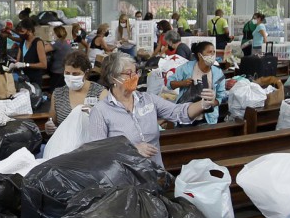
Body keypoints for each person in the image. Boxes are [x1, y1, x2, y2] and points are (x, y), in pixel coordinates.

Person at [87, 51, 216, 166]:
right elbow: (99, 150)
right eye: (128, 73)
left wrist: (203, 104)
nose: (135, 77)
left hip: (154, 174)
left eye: (136, 72)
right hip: (123, 181)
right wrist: (132, 149)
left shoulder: (148, 100)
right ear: (113, 78)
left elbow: (178, 112)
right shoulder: (101, 111)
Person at [45, 50, 105, 133]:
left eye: (75, 74)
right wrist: (49, 127)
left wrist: (94, 115)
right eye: (67, 73)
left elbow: (108, 122)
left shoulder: (100, 92)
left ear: (86, 73)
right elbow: (52, 121)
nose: (71, 77)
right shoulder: (58, 94)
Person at [167, 42, 226, 125]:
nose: (212, 55)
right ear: (199, 55)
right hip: (186, 115)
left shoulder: (218, 73)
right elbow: (170, 84)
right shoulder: (186, 68)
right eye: (209, 52)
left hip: (208, 118)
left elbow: (220, 97)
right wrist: (182, 83)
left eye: (214, 52)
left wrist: (212, 102)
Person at [10, 18, 49, 89]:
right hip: (23, 78)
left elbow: (43, 65)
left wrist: (26, 64)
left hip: (34, 79)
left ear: (30, 31)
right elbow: (18, 60)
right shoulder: (22, 42)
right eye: (19, 32)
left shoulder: (38, 42)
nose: (20, 34)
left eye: (22, 31)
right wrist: (14, 64)